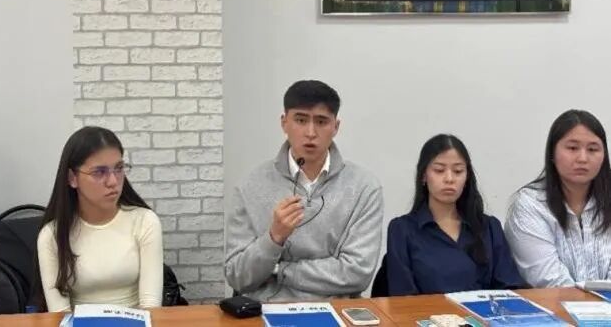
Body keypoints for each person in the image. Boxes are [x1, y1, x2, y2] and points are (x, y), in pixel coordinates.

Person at [225, 80, 384, 301]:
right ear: (284, 123)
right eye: (300, 120)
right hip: (265, 309)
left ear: (335, 127)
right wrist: (273, 238)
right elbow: (237, 276)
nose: (310, 132)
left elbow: (357, 273)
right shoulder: (251, 185)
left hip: (335, 311)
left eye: (321, 121)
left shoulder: (364, 187)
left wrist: (279, 270)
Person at [36, 126, 163, 311]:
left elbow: (151, 306)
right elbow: (60, 314)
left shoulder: (145, 221)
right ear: (72, 178)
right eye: (99, 172)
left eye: (119, 169)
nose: (113, 181)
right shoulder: (52, 236)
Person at [385, 134, 524, 296]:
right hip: (426, 312)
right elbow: (403, 297)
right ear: (423, 175)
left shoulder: (489, 228)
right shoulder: (402, 230)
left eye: (458, 171)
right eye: (439, 170)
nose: (449, 179)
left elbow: (509, 288)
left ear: (467, 177)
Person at [505, 109, 611, 286]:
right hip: (554, 302)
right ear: (552, 154)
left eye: (593, 149)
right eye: (572, 148)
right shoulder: (531, 204)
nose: (583, 158)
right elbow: (548, 279)